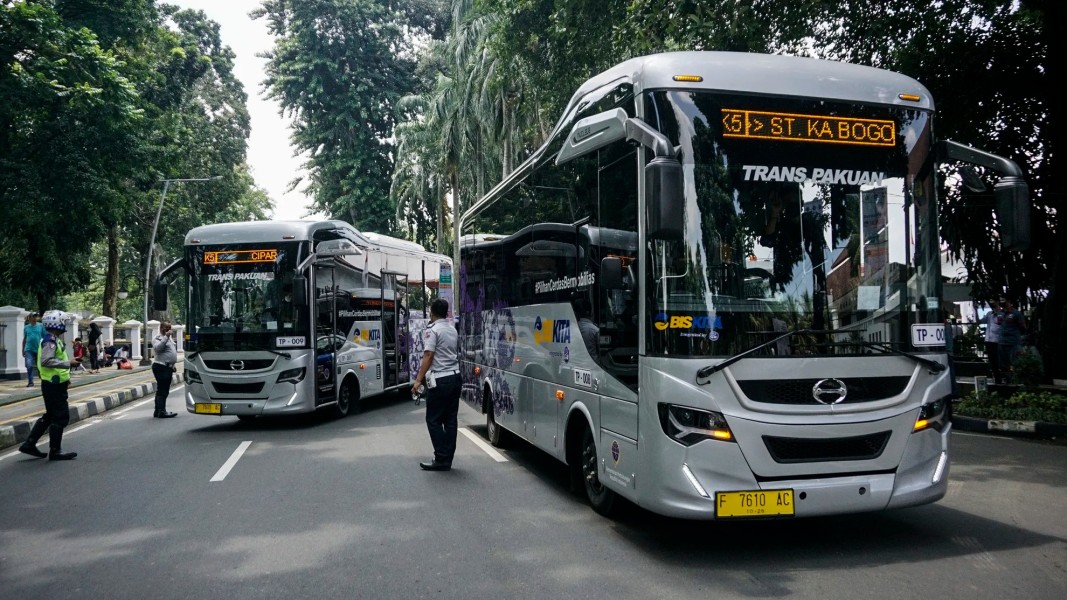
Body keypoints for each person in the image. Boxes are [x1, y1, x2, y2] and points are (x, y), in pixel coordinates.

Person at [19, 310, 79, 460]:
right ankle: (55, 451)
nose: (64, 324)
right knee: (60, 416)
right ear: (57, 323)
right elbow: (47, 361)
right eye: (63, 322)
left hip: (55, 383)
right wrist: (68, 363)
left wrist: (66, 378)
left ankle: (29, 444)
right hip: (53, 385)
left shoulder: (53, 339)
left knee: (50, 415)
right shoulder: (50, 341)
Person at [413, 298, 460, 471]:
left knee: (433, 419)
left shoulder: (432, 331)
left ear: (432, 312)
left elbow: (428, 356)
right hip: (455, 378)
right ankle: (448, 457)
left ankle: (441, 457)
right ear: (446, 312)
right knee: (450, 419)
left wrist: (418, 380)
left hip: (440, 380)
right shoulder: (452, 329)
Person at [151, 322, 178, 418]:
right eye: (165, 328)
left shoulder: (169, 338)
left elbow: (169, 353)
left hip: (167, 367)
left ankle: (157, 410)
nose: (167, 329)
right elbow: (158, 349)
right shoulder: (157, 338)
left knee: (162, 389)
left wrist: (172, 365)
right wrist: (166, 337)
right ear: (161, 328)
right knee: (163, 390)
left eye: (169, 328)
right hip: (160, 366)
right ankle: (162, 411)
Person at [997, 298, 1027, 383]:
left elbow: (1023, 328)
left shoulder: (1016, 313)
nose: (1002, 302)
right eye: (1001, 300)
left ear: (1009, 301)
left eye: (1004, 300)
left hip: (1013, 342)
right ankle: (1008, 380)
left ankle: (1017, 381)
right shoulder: (1000, 313)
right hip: (1002, 342)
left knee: (1015, 363)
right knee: (1003, 364)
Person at [983, 300, 1004, 383]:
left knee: (998, 360)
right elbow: (980, 321)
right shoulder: (989, 314)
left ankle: (1001, 377)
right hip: (989, 340)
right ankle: (996, 378)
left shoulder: (1002, 314)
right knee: (992, 360)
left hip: (997, 340)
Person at [22, 311, 44, 387]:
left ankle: (42, 379)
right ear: (29, 318)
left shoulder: (41, 326)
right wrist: (23, 349)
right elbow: (25, 339)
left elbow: (45, 337)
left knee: (40, 366)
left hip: (39, 349)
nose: (35, 318)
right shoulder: (26, 327)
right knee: (29, 365)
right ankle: (30, 382)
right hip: (28, 349)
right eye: (33, 317)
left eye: (36, 317)